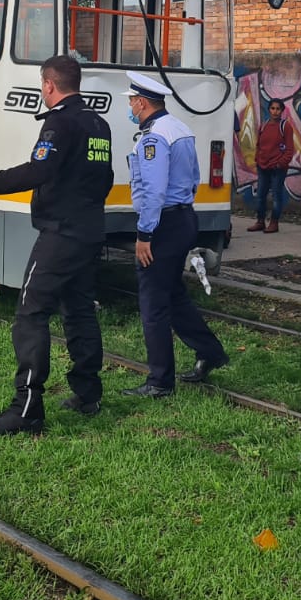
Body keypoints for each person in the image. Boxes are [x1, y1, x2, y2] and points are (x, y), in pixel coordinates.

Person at [0, 54, 114, 435]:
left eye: (42, 85)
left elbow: (38, 170)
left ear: (49, 85)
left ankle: (26, 409)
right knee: (79, 311)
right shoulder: (97, 124)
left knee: (30, 315)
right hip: (89, 232)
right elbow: (106, 177)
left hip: (61, 234)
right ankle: (88, 394)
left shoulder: (60, 124)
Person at [122, 71, 230, 395]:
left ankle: (159, 381)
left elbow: (154, 191)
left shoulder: (154, 136)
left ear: (141, 102)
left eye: (131, 101)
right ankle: (210, 352)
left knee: (153, 302)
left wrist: (144, 234)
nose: (129, 106)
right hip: (183, 218)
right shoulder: (180, 128)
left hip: (162, 224)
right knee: (173, 295)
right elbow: (194, 177)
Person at [248, 98, 293, 233]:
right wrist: (258, 159)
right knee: (261, 195)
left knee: (276, 196)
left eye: (278, 109)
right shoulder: (264, 125)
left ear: (282, 111)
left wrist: (280, 164)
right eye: (272, 108)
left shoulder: (285, 126)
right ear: (269, 110)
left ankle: (274, 223)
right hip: (263, 166)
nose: (275, 111)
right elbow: (259, 144)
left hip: (277, 169)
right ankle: (260, 221)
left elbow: (290, 150)